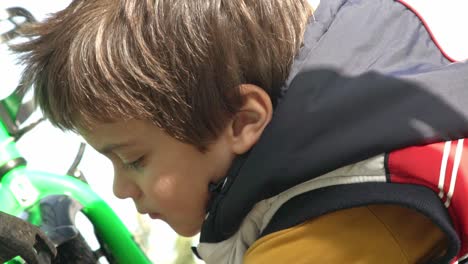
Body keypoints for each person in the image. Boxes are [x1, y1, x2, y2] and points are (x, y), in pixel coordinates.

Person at [13, 0, 468, 263]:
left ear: (242, 121)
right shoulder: (320, 177)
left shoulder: (343, 217)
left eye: (134, 159)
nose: (120, 188)